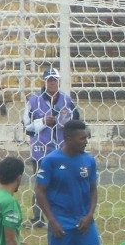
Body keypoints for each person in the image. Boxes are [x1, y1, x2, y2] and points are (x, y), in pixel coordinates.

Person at [34, 119, 118, 245]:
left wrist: (90, 215)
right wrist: (51, 220)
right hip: (60, 223)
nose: (86, 142)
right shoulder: (51, 161)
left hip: (85, 223)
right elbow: (40, 191)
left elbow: (93, 190)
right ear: (68, 138)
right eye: (82, 138)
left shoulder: (88, 161)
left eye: (87, 137)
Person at [21, 67, 81, 227]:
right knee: (41, 185)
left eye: (55, 80)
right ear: (44, 81)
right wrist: (42, 122)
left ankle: (65, 215)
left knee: (64, 183)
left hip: (62, 150)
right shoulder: (33, 101)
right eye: (49, 80)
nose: (52, 83)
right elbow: (26, 127)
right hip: (41, 151)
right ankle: (38, 218)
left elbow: (77, 123)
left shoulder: (67, 100)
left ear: (59, 81)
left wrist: (62, 122)